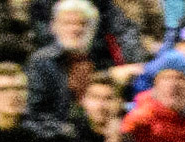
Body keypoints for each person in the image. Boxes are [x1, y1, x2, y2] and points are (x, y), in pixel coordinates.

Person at [27, 0, 143, 129]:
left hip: (98, 132)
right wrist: (67, 132)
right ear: (54, 27)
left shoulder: (102, 59)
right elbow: (35, 114)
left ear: (92, 28)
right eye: (67, 23)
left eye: (82, 23)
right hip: (61, 137)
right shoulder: (42, 62)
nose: (75, 29)